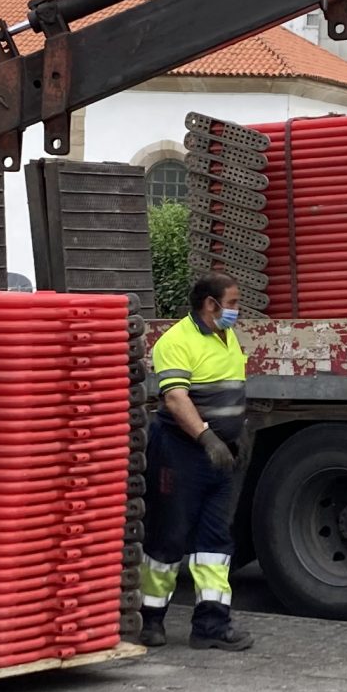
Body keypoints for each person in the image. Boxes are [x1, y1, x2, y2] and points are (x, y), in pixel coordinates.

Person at [141, 275, 254, 652]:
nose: (237, 309)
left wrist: (238, 434)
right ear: (210, 305)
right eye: (233, 302)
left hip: (222, 454)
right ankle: (151, 619)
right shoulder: (175, 342)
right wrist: (206, 437)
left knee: (215, 542)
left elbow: (228, 390)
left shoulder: (226, 336)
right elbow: (175, 398)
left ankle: (211, 625)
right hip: (180, 452)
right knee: (169, 534)